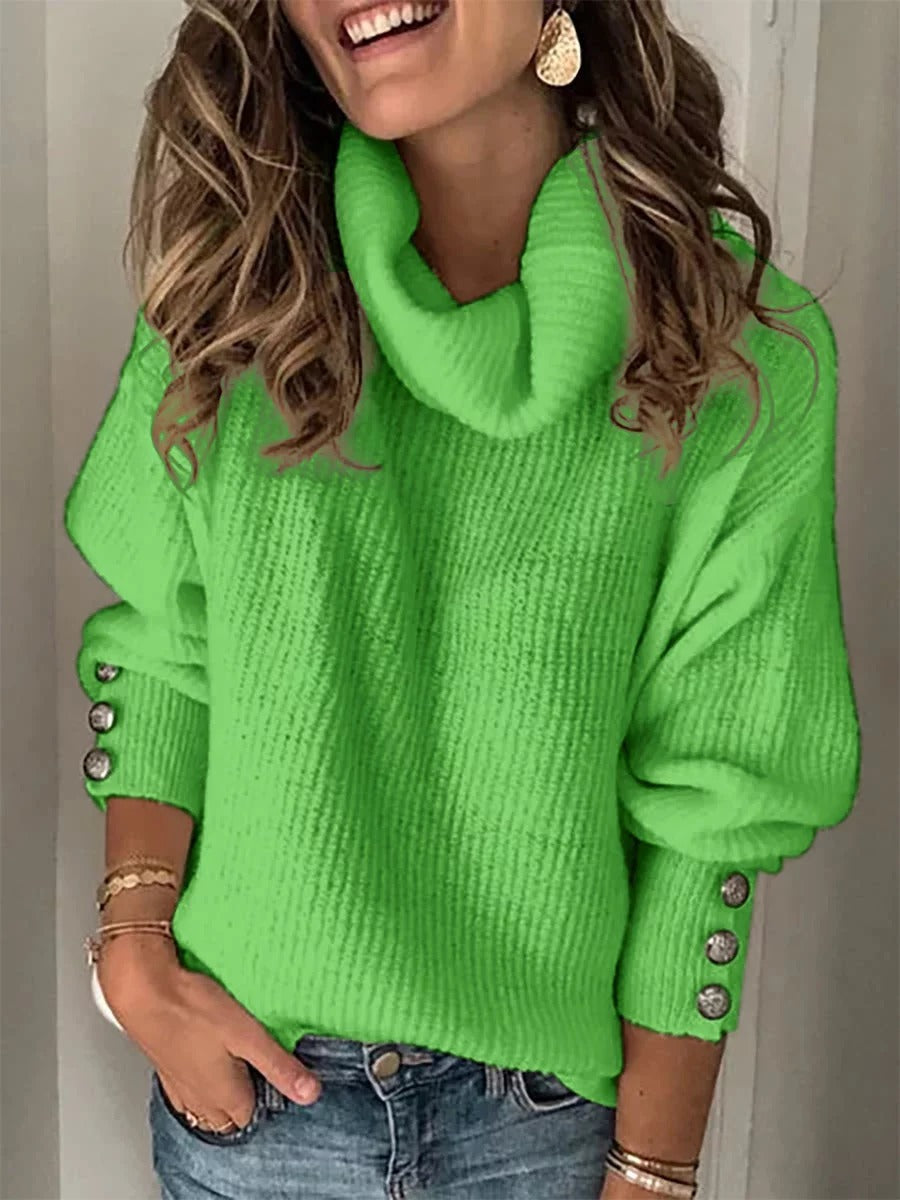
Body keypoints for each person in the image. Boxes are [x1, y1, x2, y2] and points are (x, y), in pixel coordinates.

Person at [64, 1, 862, 1197]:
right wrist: (133, 948)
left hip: (542, 1139)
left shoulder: (738, 351)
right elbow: (164, 642)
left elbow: (716, 804)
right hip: (255, 1107)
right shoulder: (241, 284)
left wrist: (653, 1175)